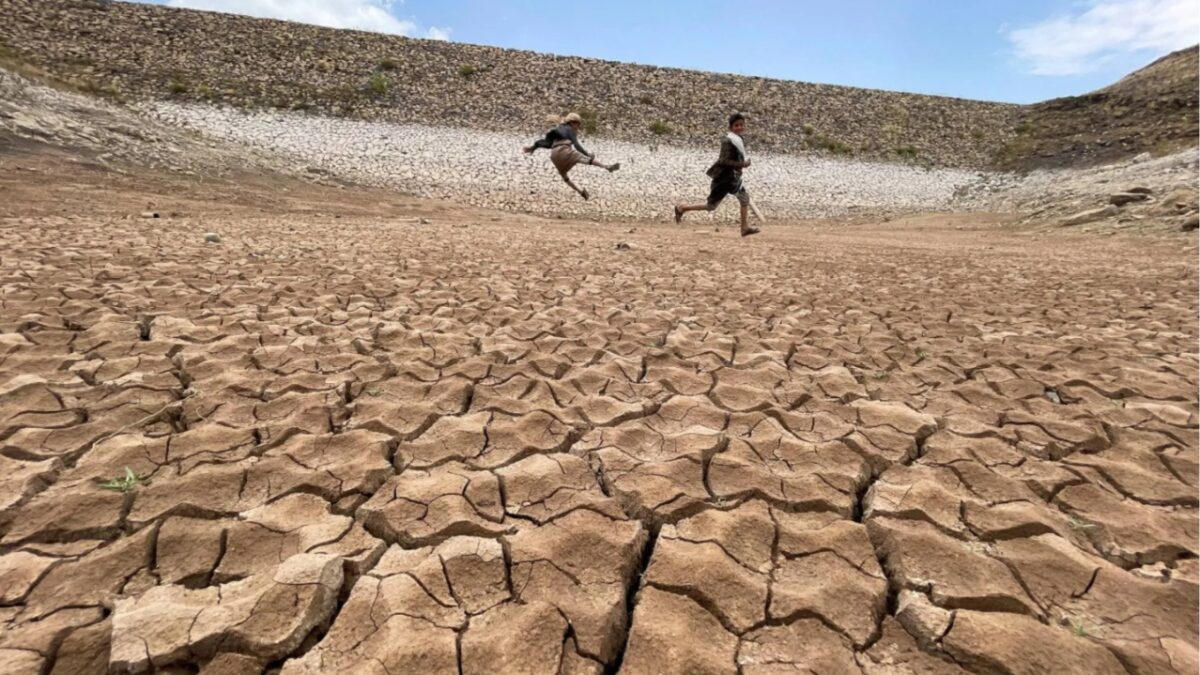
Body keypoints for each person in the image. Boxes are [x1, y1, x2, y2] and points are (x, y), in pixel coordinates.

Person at [674, 113, 760, 237]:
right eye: (736, 125)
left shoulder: (738, 139)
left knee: (743, 199)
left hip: (733, 178)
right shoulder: (727, 141)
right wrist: (742, 164)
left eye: (741, 125)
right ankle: (682, 208)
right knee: (711, 206)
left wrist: (742, 164)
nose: (740, 127)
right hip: (724, 179)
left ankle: (744, 228)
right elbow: (723, 161)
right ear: (731, 127)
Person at [524, 112, 620, 200]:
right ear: (572, 123)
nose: (578, 127)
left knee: (564, 176)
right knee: (586, 159)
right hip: (564, 151)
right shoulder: (570, 129)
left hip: (554, 156)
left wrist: (532, 148)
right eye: (578, 124)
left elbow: (542, 143)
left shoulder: (557, 131)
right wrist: (588, 154)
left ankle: (580, 192)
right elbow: (577, 146)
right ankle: (607, 167)